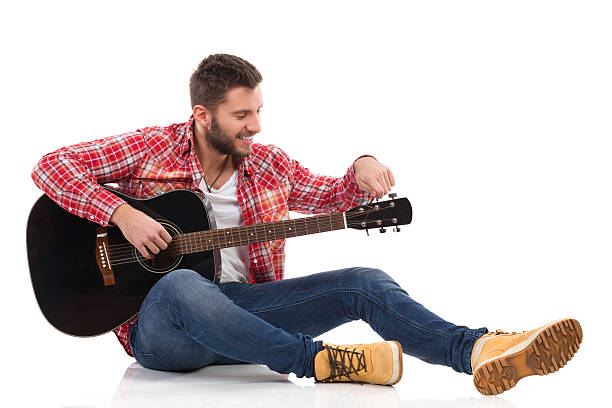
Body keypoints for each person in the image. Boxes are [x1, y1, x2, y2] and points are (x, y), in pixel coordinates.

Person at [31, 54, 582, 395]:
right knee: (180, 283)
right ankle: (319, 361)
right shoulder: (151, 148)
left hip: (248, 317)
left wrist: (362, 169)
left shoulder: (267, 162)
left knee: (363, 280)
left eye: (259, 111)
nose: (256, 125)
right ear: (202, 116)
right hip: (163, 334)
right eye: (241, 115)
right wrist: (121, 214)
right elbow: (51, 166)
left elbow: (330, 194)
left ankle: (478, 350)